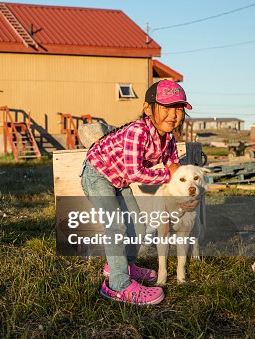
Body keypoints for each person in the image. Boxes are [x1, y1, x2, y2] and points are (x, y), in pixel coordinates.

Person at [80, 79, 198, 305]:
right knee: (115, 225)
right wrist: (168, 176)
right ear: (148, 109)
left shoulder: (169, 140)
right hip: (97, 172)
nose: (173, 115)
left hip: (118, 178)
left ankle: (121, 265)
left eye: (178, 109)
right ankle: (117, 285)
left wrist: (185, 198)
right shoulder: (138, 132)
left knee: (138, 225)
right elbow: (136, 173)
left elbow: (174, 170)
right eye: (165, 108)